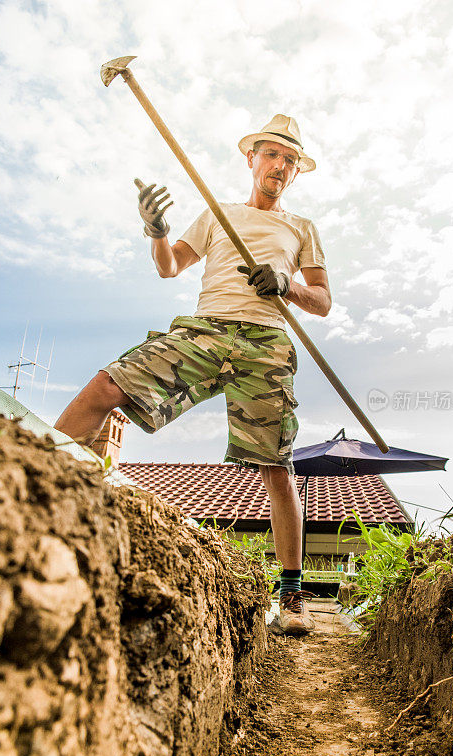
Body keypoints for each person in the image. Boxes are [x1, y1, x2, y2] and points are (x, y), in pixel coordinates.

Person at [55, 114, 331, 635]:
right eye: (272, 154)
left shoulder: (301, 229)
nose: (280, 165)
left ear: (296, 174)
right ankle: (39, 486)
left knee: (277, 465)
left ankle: (292, 597)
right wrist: (156, 232)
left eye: (290, 160)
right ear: (252, 159)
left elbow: (322, 301)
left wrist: (286, 285)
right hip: (205, 331)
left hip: (266, 344)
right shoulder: (217, 215)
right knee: (104, 388)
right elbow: (168, 266)